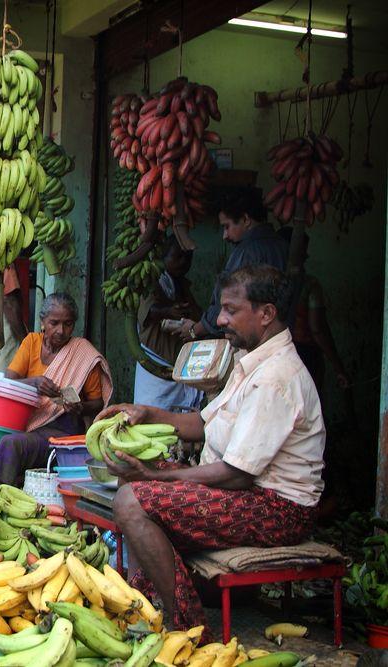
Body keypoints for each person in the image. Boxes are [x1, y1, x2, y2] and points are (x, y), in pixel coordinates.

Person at [105, 265, 325, 634]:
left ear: (266, 313)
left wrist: (164, 477)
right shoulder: (251, 362)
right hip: (245, 489)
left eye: (231, 310)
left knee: (132, 501)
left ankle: (187, 626)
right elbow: (205, 424)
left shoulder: (275, 378)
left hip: (278, 507)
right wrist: (147, 413)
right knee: (134, 475)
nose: (220, 319)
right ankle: (145, 603)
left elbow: (237, 474)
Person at [0, 293, 113, 487]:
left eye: (68, 324)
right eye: (54, 323)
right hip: (20, 420)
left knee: (11, 443)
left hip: (60, 428)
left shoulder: (83, 352)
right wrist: (34, 382)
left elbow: (98, 403)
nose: (61, 330)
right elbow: (10, 382)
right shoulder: (32, 342)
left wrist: (80, 407)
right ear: (43, 322)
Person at [181, 188, 288, 341]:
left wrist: (195, 329)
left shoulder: (247, 252)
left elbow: (231, 302)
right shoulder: (281, 245)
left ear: (245, 220)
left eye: (227, 226)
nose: (225, 236)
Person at [133, 237, 203, 410]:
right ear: (163, 257)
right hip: (155, 369)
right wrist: (167, 311)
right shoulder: (151, 281)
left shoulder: (182, 286)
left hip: (177, 369)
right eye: (177, 257)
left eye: (188, 258)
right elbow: (148, 312)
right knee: (151, 418)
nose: (184, 263)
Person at [276, 227, 349, 392]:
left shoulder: (267, 284)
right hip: (305, 355)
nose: (307, 256)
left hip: (277, 353)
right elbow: (317, 329)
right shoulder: (309, 285)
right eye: (304, 252)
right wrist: (338, 366)